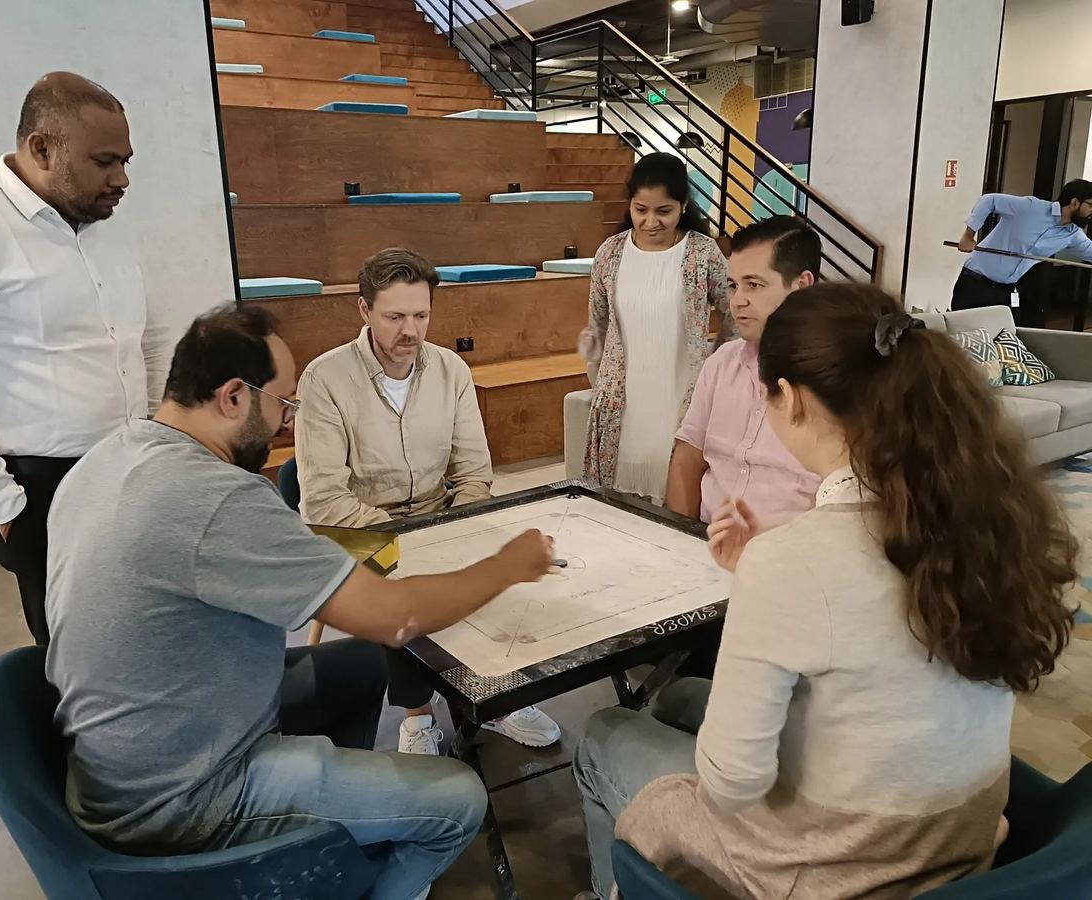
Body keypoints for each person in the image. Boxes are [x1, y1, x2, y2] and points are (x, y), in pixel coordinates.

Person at [573, 283, 1076, 900]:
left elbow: (733, 785)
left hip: (829, 871)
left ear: (791, 399)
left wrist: (767, 580)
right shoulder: (988, 521)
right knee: (679, 698)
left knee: (603, 734)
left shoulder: (796, 562)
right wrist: (761, 575)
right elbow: (875, 642)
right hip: (961, 840)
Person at [45, 304, 555, 900]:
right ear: (233, 396)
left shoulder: (111, 455)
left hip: (126, 755)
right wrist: (507, 565)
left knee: (359, 666)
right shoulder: (218, 498)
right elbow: (397, 618)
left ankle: (334, 827)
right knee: (459, 798)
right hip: (185, 798)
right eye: (282, 404)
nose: (286, 425)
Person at [0, 72, 163, 645]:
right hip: (40, 485)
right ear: (41, 148)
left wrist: (162, 437)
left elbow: (147, 340)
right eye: (104, 161)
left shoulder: (106, 230)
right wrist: (5, 509)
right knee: (81, 656)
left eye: (126, 161)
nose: (122, 180)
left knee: (149, 631)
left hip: (130, 464)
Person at [296, 248, 562, 755]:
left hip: (445, 514)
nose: (410, 331)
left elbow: (473, 471)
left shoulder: (451, 370)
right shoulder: (325, 379)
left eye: (420, 315)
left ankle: (496, 695)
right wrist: (419, 544)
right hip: (364, 526)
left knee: (504, 560)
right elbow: (325, 501)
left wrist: (464, 527)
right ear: (364, 310)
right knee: (396, 582)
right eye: (394, 316)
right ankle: (417, 715)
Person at [579, 152, 732, 504]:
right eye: (640, 210)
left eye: (663, 211)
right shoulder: (610, 254)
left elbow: (733, 314)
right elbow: (597, 324)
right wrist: (597, 376)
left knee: (676, 496)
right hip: (624, 399)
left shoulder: (702, 253)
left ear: (683, 205)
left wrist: (717, 360)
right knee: (618, 504)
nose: (650, 222)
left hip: (680, 399)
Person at [666, 216, 821, 527]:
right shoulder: (721, 363)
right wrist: (678, 540)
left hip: (788, 560)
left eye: (754, 284)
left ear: (801, 286)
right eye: (733, 285)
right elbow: (688, 458)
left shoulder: (836, 376)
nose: (737, 301)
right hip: (706, 546)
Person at [952, 179, 1092, 324]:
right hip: (974, 283)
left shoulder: (1073, 234)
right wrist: (968, 235)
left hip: (1006, 291)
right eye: (1091, 205)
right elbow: (989, 200)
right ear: (1075, 202)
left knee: (1007, 338)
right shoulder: (1031, 207)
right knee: (964, 335)